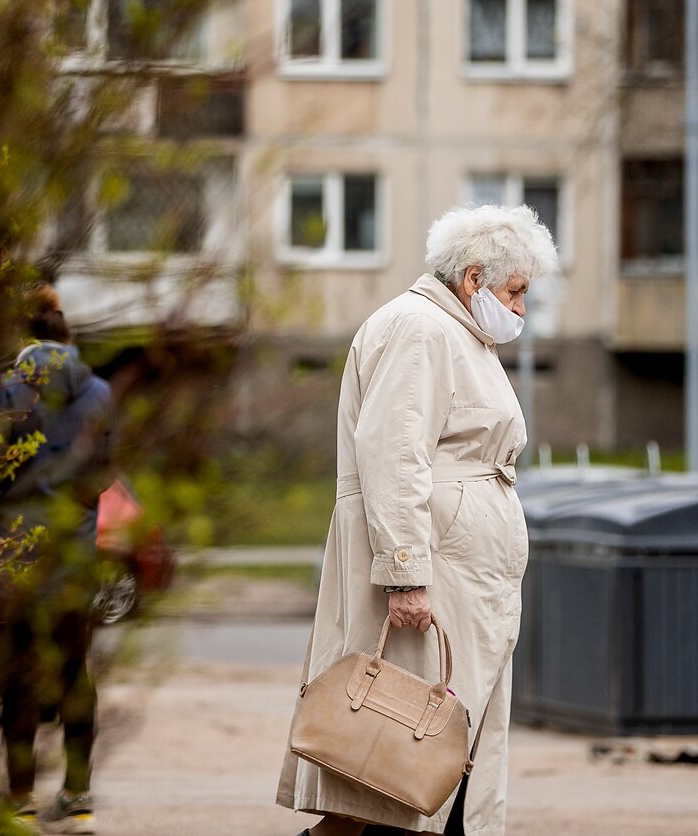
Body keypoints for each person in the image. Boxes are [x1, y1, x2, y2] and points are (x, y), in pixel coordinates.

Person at [276, 204, 559, 836]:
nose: (519, 309)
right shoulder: (421, 328)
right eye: (514, 291)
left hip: (459, 572)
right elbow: (394, 453)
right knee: (395, 767)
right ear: (473, 277)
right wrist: (406, 573)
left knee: (411, 770)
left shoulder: (457, 334)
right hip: (436, 573)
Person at [0, 282, 113, 834]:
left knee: (20, 680)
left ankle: (18, 802)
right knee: (75, 672)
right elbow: (102, 475)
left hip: (17, 559)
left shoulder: (6, 392)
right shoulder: (100, 393)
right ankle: (78, 799)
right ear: (66, 330)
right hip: (74, 556)